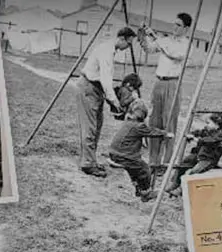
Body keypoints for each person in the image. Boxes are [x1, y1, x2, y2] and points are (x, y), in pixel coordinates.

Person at [76, 26, 137, 178]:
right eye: (128, 44)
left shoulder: (111, 49)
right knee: (90, 127)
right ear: (122, 38)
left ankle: (90, 160)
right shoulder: (106, 51)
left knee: (97, 125)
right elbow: (105, 80)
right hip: (89, 87)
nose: (128, 47)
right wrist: (115, 101)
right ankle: (87, 164)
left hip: (96, 90)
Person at [138, 12, 192, 170]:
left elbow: (173, 54)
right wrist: (143, 34)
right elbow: (149, 48)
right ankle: (153, 161)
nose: (174, 27)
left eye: (179, 25)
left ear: (186, 29)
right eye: (174, 24)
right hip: (159, 83)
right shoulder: (165, 40)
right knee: (155, 121)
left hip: (173, 84)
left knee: (169, 123)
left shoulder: (186, 44)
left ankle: (166, 162)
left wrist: (155, 37)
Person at [108, 100, 173, 202]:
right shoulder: (138, 126)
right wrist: (164, 134)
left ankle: (138, 188)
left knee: (134, 171)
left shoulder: (127, 123)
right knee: (145, 170)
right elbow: (150, 131)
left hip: (114, 153)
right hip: (125, 156)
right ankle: (146, 192)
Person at [165, 112, 222, 197]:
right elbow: (198, 132)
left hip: (208, 159)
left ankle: (181, 190)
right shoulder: (207, 130)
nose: (206, 125)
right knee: (182, 165)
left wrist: (196, 140)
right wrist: (192, 134)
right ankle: (175, 183)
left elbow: (210, 141)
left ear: (217, 125)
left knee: (193, 172)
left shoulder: (221, 135)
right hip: (198, 155)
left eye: (208, 123)